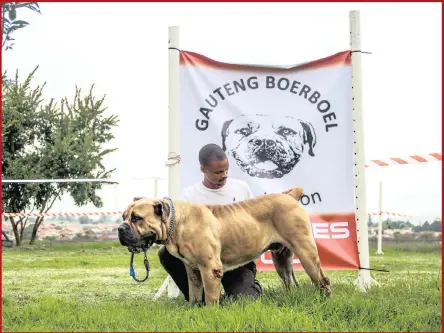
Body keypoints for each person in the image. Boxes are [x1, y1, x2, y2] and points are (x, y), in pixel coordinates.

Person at [157, 143, 263, 303]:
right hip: (201, 259)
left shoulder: (241, 188)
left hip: (236, 259)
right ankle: (196, 298)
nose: (224, 175)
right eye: (218, 172)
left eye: (226, 170)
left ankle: (246, 285)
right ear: (203, 170)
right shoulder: (189, 196)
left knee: (244, 300)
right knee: (166, 253)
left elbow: (255, 219)